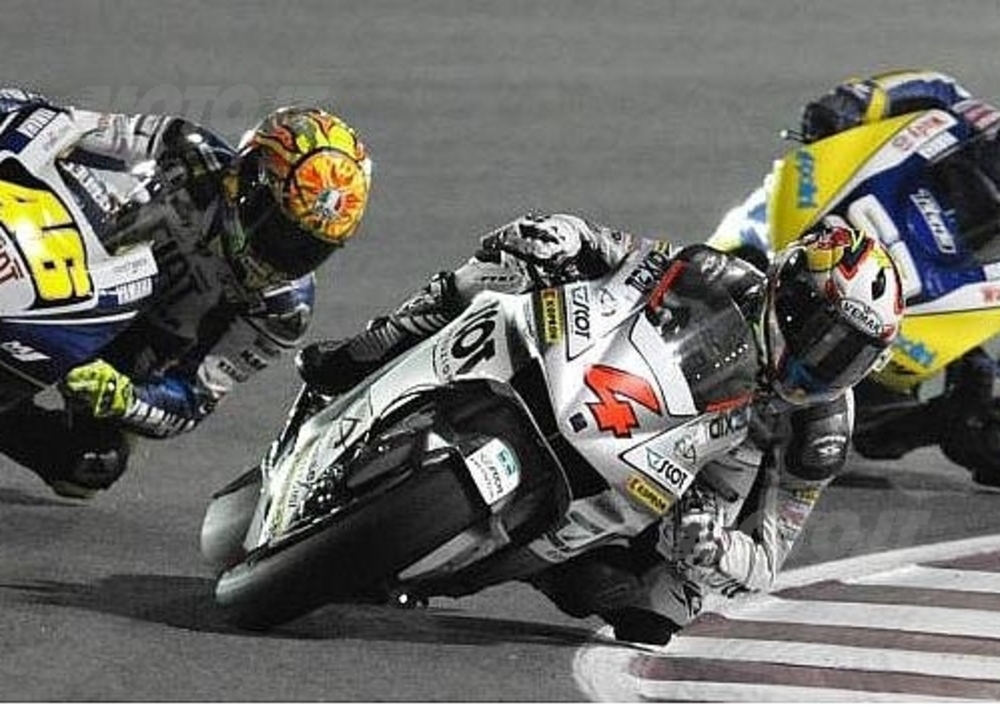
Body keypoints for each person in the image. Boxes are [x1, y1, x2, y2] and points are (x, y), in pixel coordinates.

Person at [296, 211, 904, 643]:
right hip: (630, 393)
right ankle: (385, 340)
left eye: (848, 357)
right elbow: (623, 254)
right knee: (515, 260)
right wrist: (568, 236)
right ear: (788, 292)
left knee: (663, 610)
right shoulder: (719, 273)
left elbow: (768, 557)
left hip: (700, 487)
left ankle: (547, 563)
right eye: (823, 337)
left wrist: (718, 547)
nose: (821, 365)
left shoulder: (821, 428)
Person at [0, 88, 373, 498]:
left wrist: (122, 397)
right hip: (73, 260)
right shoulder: (185, 150)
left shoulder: (282, 311)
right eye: (277, 229)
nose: (282, 256)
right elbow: (64, 127)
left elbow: (192, 400)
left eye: (308, 250)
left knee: (90, 463)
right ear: (248, 179)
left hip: (123, 349)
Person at [710, 69, 1000, 485]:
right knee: (723, 251)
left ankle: (904, 421)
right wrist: (859, 102)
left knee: (974, 426)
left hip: (913, 323)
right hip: (830, 227)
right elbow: (936, 87)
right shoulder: (973, 119)